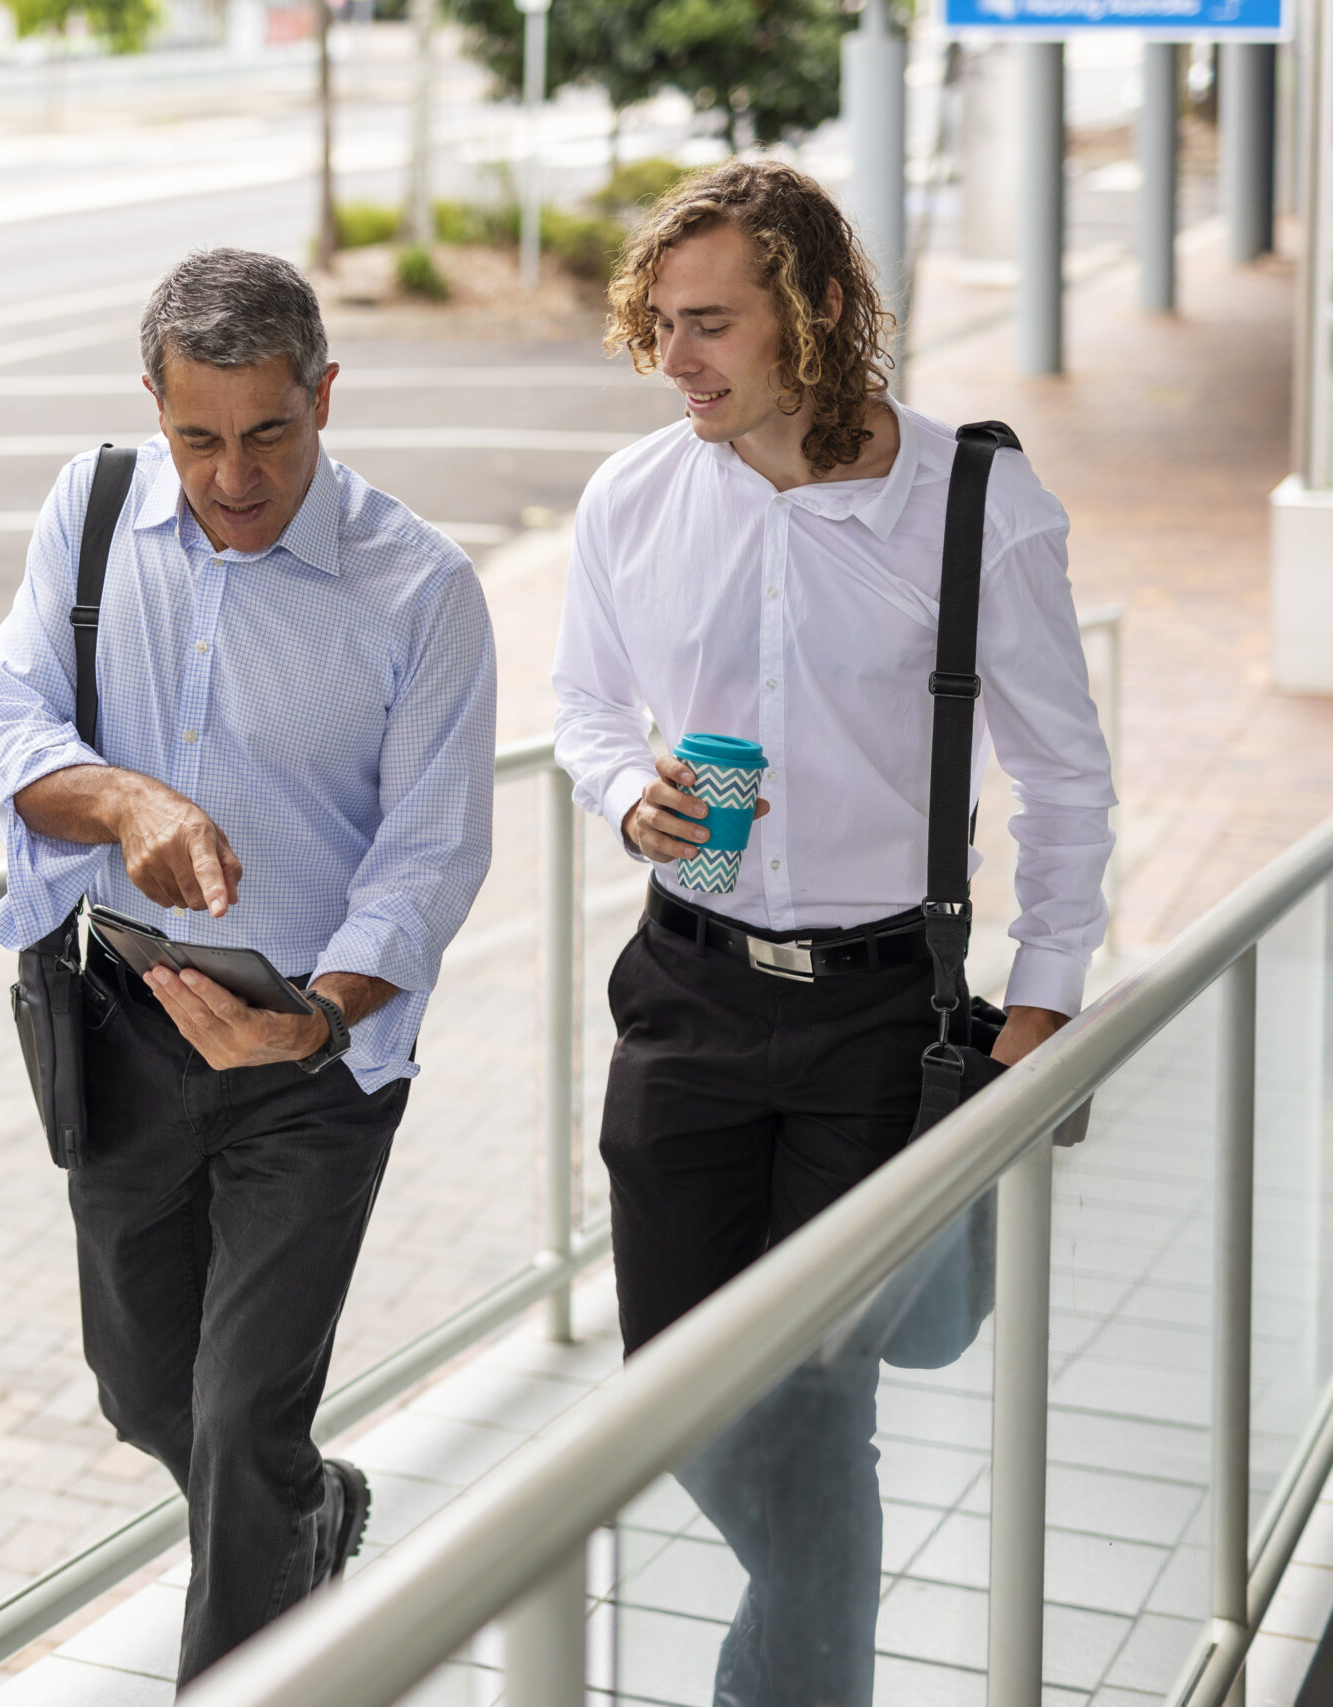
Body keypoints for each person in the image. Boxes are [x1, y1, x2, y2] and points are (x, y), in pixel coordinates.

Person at [551, 160, 1115, 1705]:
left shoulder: (977, 507)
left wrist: (1046, 1004)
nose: (677, 361)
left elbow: (1066, 773)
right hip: (685, 993)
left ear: (822, 315)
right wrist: (623, 793)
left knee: (814, 1405)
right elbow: (587, 705)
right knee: (677, 1386)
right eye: (661, 325)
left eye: (714, 324)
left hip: (883, 1019)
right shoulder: (634, 498)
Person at [0, 247, 497, 1686]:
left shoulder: (421, 589)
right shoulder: (87, 513)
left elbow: (433, 853)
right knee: (145, 1395)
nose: (233, 476)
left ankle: (253, 1640)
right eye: (198, 437)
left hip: (310, 1062)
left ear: (326, 396)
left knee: (241, 1421)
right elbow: (5, 725)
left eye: (271, 432)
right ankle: (314, 1517)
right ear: (154, 405)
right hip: (123, 1031)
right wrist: (127, 800)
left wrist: (320, 1021)